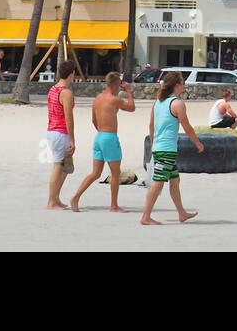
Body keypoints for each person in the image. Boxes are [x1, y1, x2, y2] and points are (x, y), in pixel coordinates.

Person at [140, 70, 203, 224]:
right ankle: (145, 217)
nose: (184, 83)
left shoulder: (158, 102)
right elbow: (187, 126)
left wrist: (154, 143)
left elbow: (151, 126)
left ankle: (181, 213)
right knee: (158, 181)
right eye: (183, 81)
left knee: (175, 180)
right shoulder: (177, 104)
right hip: (166, 149)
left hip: (160, 147)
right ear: (177, 85)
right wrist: (198, 143)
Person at [69, 72, 136, 212]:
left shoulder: (98, 98)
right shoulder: (114, 99)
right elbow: (131, 108)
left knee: (95, 173)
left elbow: (93, 120)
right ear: (117, 84)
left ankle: (76, 197)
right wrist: (129, 91)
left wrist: (102, 131)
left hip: (99, 137)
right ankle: (114, 206)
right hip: (109, 138)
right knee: (116, 174)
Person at [44, 60, 78, 210]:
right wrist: (72, 138)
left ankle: (56, 198)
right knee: (58, 166)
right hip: (60, 132)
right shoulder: (66, 92)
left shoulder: (53, 89)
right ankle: (51, 201)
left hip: (52, 130)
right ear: (71, 74)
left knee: (64, 167)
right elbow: (68, 117)